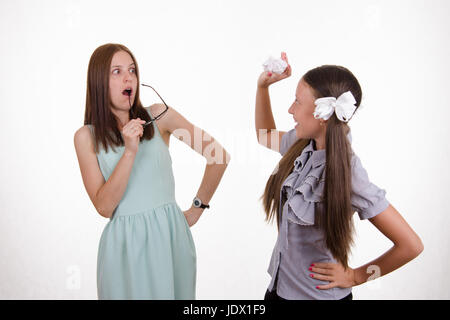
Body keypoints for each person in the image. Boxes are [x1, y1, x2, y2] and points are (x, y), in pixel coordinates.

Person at [255, 52, 423, 300]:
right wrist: (262, 87)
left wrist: (356, 276)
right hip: (278, 291)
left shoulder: (349, 172)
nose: (291, 110)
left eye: (298, 102)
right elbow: (264, 134)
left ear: (322, 115)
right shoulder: (303, 144)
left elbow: (411, 245)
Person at [74, 43, 230, 299]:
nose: (129, 78)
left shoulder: (159, 116)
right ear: (99, 81)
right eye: (117, 71)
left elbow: (218, 155)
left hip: (170, 240)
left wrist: (197, 208)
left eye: (132, 70)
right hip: (123, 248)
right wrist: (129, 151)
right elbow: (104, 207)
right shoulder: (86, 137)